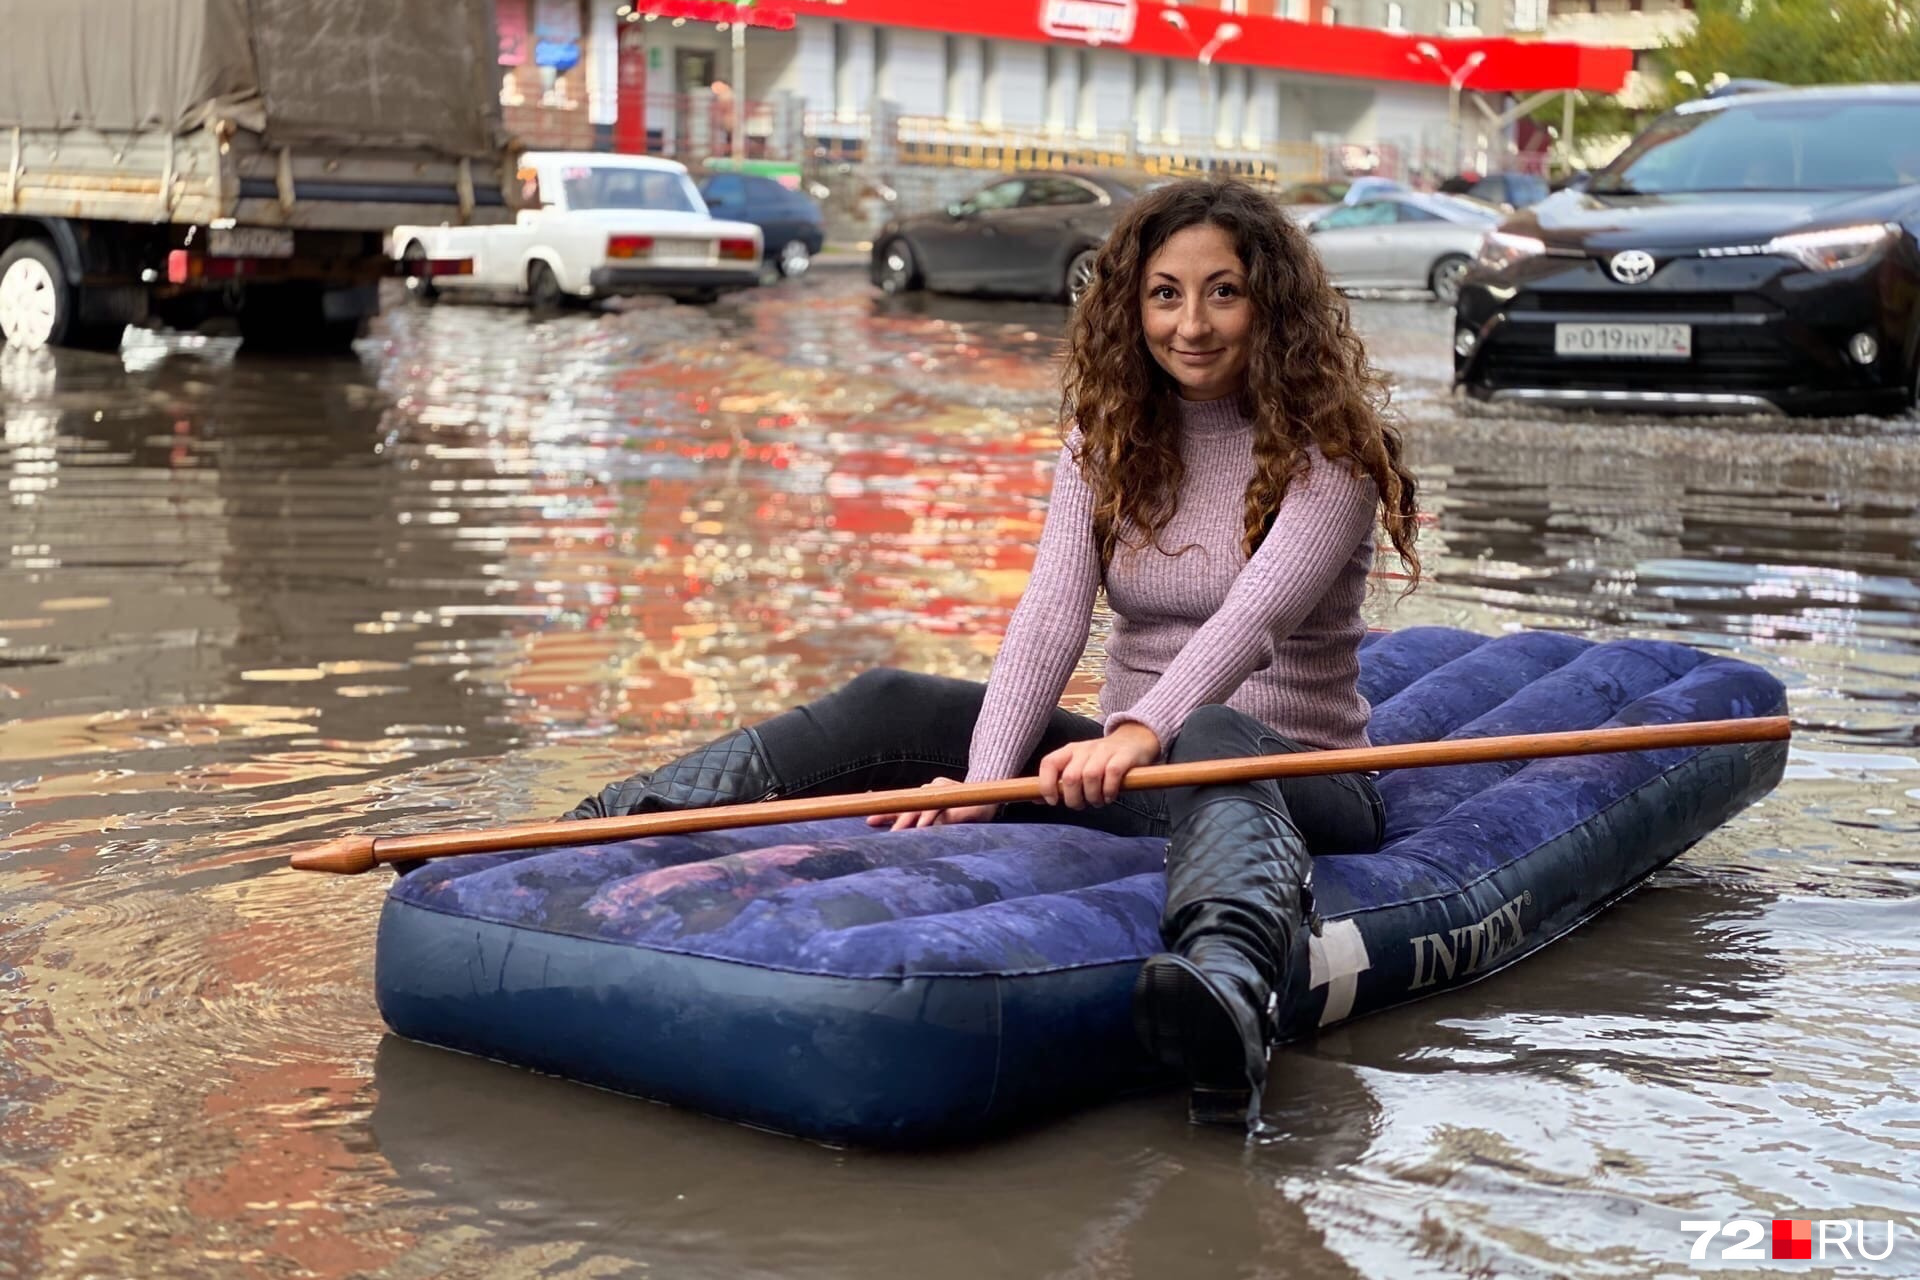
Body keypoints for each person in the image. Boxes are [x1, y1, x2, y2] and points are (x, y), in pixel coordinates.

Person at [562, 179, 1422, 1128]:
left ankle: (1222, 997)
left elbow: (1247, 624)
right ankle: (609, 819)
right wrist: (983, 777)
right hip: (1137, 776)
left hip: (1295, 778)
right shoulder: (1107, 442)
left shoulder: (1332, 456)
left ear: (1274, 303)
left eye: (1224, 291)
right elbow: (1049, 621)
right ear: (1130, 305)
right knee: (896, 698)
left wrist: (1138, 731)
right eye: (1165, 293)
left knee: (1212, 730)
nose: (1192, 324)